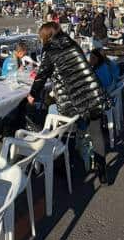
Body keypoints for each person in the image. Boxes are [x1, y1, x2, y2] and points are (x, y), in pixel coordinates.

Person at [29, 22, 110, 184]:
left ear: (46, 36)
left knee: (68, 131)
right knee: (96, 133)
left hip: (73, 97)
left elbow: (42, 75)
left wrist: (32, 94)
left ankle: (67, 169)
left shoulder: (50, 49)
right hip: (92, 92)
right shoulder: (71, 43)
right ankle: (103, 173)